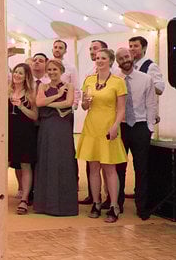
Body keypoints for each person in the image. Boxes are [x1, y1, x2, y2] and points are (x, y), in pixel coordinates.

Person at [77, 49, 127, 223]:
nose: (99, 61)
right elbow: (84, 106)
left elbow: (121, 109)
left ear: (110, 61)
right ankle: (96, 202)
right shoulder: (89, 80)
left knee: (109, 168)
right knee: (93, 167)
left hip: (108, 126)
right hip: (92, 126)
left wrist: (115, 126)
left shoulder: (118, 82)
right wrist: (84, 102)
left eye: (103, 58)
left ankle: (114, 205)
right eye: (97, 58)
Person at [114, 48, 158, 218]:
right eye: (120, 58)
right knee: (119, 168)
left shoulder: (146, 79)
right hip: (121, 127)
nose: (125, 60)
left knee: (141, 169)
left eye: (126, 56)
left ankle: (142, 207)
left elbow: (151, 104)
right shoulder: (114, 79)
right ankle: (117, 204)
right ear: (117, 61)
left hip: (140, 127)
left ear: (132, 57)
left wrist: (149, 128)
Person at [33, 59, 78, 216]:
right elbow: (38, 102)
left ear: (61, 70)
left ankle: (64, 205)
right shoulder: (42, 86)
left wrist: (48, 102)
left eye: (55, 70)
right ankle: (45, 204)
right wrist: (57, 96)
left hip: (62, 127)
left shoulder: (69, 86)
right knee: (47, 160)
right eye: (49, 70)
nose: (52, 72)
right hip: (47, 127)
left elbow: (68, 103)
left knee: (63, 161)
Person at [9, 63, 39, 215]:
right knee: (12, 164)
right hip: (9, 133)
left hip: (25, 133)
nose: (17, 75)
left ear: (26, 76)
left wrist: (21, 107)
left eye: (20, 73)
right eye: (15, 72)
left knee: (25, 165)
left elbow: (35, 116)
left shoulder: (31, 93)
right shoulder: (7, 91)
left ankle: (25, 199)